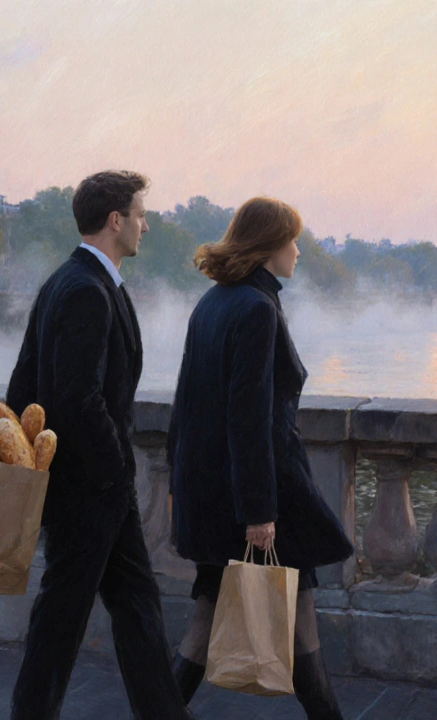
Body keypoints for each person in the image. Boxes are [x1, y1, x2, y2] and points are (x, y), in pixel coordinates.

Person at [6, 170, 193, 720]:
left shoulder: (69, 281)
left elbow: (23, 385)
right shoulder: (88, 290)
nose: (145, 224)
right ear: (115, 221)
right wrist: (115, 471)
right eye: (139, 214)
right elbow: (77, 396)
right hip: (90, 489)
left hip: (90, 487)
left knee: (134, 608)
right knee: (63, 620)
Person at [165, 197, 354, 719]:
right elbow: (249, 421)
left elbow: (186, 403)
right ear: (269, 247)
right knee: (297, 625)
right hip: (260, 499)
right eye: (292, 240)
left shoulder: (213, 302)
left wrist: (177, 479)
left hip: (214, 491)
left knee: (209, 619)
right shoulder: (256, 309)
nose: (298, 251)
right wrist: (259, 513)